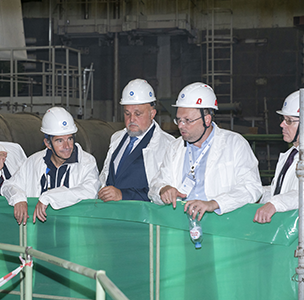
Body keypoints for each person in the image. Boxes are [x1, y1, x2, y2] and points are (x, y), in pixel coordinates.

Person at [149, 82, 263, 220]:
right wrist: (163, 189)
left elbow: (252, 188)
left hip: (221, 225)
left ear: (207, 120)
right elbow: (155, 185)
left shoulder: (235, 144)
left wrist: (214, 204)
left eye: (187, 120)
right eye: (178, 120)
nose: (181, 126)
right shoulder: (174, 147)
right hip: (180, 224)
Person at [2, 107, 100, 224]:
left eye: (69, 139)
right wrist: (18, 198)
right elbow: (8, 185)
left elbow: (90, 191)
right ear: (47, 143)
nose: (67, 146)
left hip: (74, 231)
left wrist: (49, 197)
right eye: (59, 141)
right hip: (40, 233)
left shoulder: (87, 162)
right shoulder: (34, 162)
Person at [98, 79, 175, 202]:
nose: (131, 119)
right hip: (111, 214)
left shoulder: (168, 145)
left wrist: (123, 195)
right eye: (127, 113)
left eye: (138, 114)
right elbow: (106, 176)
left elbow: (161, 193)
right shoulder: (117, 138)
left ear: (152, 113)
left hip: (142, 218)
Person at [254, 91, 300, 223]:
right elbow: (280, 191)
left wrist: (274, 204)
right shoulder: (291, 154)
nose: (282, 125)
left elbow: (301, 194)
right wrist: (255, 193)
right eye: (283, 120)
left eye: (289, 121)